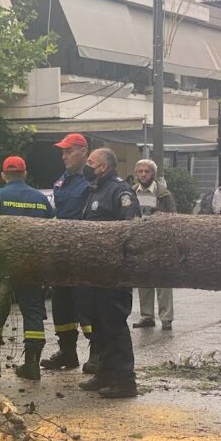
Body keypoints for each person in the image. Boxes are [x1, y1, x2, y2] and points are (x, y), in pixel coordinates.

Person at [0, 156, 54, 380]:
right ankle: (32, 365)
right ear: (24, 174)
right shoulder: (41, 200)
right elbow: (55, 235)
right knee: (32, 313)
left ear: (3, 175)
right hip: (32, 267)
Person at [77, 148, 142, 399]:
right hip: (95, 272)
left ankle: (125, 380)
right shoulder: (95, 189)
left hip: (114, 273)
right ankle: (104, 373)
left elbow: (130, 230)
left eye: (90, 162)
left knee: (114, 325)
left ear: (103, 166)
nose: (87, 166)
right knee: (99, 326)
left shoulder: (119, 191)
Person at [40, 133, 96, 373]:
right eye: (62, 152)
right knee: (62, 304)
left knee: (87, 304)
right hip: (62, 251)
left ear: (83, 151)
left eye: (69, 151)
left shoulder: (94, 179)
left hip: (84, 251)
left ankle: (98, 354)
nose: (64, 156)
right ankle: (67, 352)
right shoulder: (63, 180)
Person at [132, 159, 176, 331]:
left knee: (163, 282)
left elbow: (173, 218)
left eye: (147, 171)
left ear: (153, 174)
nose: (143, 175)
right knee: (144, 281)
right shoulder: (131, 192)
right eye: (140, 171)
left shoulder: (164, 195)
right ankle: (147, 316)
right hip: (140, 243)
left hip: (161, 243)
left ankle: (166, 319)